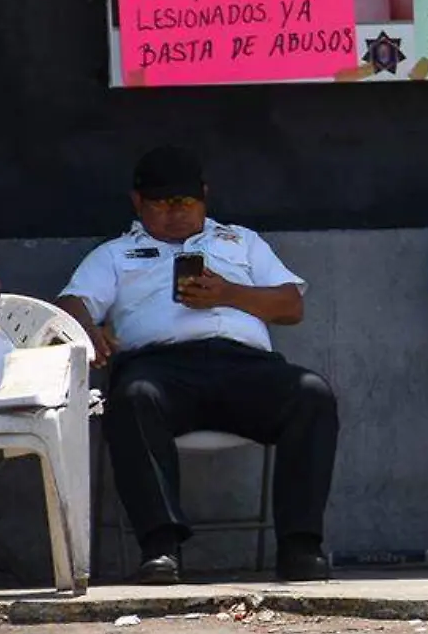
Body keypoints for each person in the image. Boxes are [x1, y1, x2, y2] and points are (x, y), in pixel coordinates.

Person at [56, 146, 338, 584]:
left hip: (243, 366)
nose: (175, 215)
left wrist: (228, 294)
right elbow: (71, 302)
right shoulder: (116, 253)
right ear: (137, 203)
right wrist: (89, 330)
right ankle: (161, 548)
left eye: (185, 203)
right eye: (161, 205)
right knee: (131, 398)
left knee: (311, 394)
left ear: (205, 196)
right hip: (160, 368)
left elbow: (290, 305)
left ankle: (301, 547)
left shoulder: (240, 241)